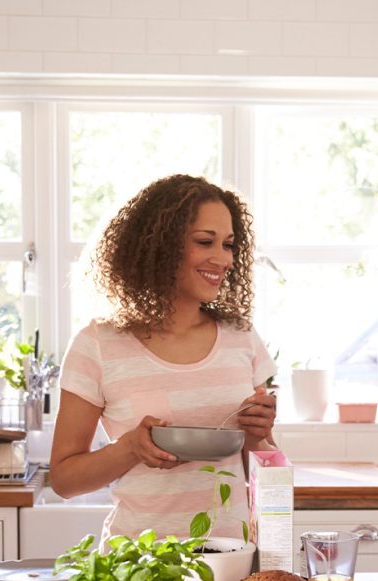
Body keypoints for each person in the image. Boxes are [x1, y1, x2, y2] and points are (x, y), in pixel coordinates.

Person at [51, 174, 277, 539]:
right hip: (140, 568)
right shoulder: (98, 344)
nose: (222, 259)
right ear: (160, 246)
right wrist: (129, 449)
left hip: (231, 562)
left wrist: (258, 436)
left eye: (228, 244)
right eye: (205, 241)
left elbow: (263, 470)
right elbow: (64, 480)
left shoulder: (242, 339)